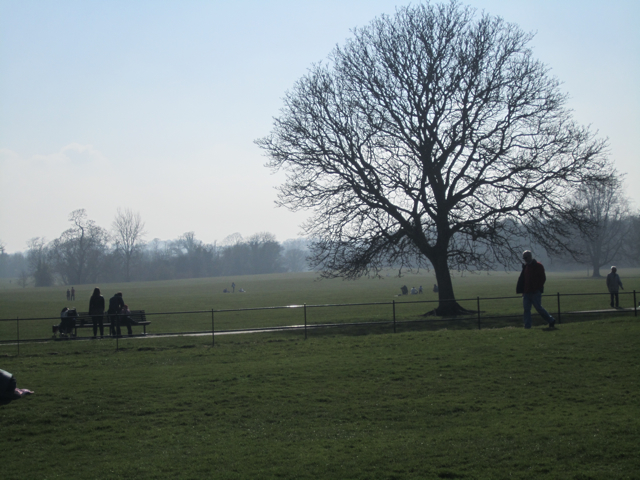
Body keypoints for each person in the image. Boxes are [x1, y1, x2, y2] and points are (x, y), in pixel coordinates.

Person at [516, 250, 555, 329]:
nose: (525, 259)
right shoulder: (526, 267)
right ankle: (527, 326)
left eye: (525, 257)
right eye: (524, 258)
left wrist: (536, 288)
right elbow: (524, 280)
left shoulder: (538, 266)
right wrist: (523, 290)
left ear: (530, 256)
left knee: (538, 308)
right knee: (526, 309)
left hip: (535, 292)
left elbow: (542, 278)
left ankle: (550, 320)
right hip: (527, 292)